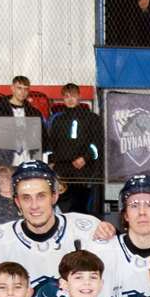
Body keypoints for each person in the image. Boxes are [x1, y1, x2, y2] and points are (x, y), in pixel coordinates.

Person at [0, 160, 108, 297]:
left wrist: (109, 233)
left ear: (54, 196)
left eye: (41, 196)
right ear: (17, 202)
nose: (34, 205)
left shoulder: (86, 230)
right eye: (26, 198)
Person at [46, 83, 105, 216]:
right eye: (66, 96)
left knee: (79, 206)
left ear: (79, 96)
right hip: (62, 169)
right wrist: (51, 162)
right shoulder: (57, 120)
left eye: (73, 95)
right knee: (62, 206)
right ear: (63, 98)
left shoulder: (92, 118)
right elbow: (51, 144)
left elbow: (98, 143)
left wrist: (85, 158)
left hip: (82, 170)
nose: (70, 99)